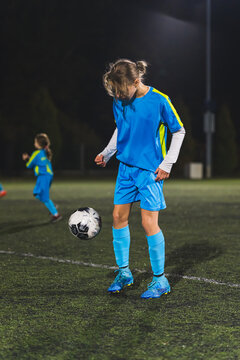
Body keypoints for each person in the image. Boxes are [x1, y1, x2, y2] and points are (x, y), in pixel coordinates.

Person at [95, 59, 185, 299]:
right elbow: (122, 129)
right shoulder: (119, 100)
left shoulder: (159, 100)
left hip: (149, 171)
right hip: (125, 168)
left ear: (137, 81)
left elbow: (179, 131)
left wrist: (167, 163)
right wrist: (107, 152)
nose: (119, 95)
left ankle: (160, 280)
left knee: (148, 223)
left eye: (122, 90)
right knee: (117, 217)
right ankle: (124, 273)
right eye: (116, 91)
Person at [22, 133, 62, 223]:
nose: (34, 144)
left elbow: (29, 165)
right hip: (48, 176)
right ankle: (52, 206)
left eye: (35, 142)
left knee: (44, 196)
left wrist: (26, 159)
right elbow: (38, 162)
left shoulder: (36, 153)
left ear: (39, 144)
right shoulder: (45, 152)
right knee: (37, 194)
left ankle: (56, 215)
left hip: (44, 176)